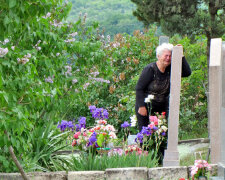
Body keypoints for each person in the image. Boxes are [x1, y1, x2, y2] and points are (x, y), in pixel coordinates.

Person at [135, 43, 191, 163]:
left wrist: (181, 55)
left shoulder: (170, 69)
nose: (168, 58)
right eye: (166, 56)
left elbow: (187, 72)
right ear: (159, 56)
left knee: (161, 133)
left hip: (161, 108)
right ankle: (145, 160)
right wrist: (141, 106)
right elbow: (139, 88)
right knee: (145, 135)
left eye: (170, 56)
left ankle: (160, 160)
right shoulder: (150, 69)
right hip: (146, 107)